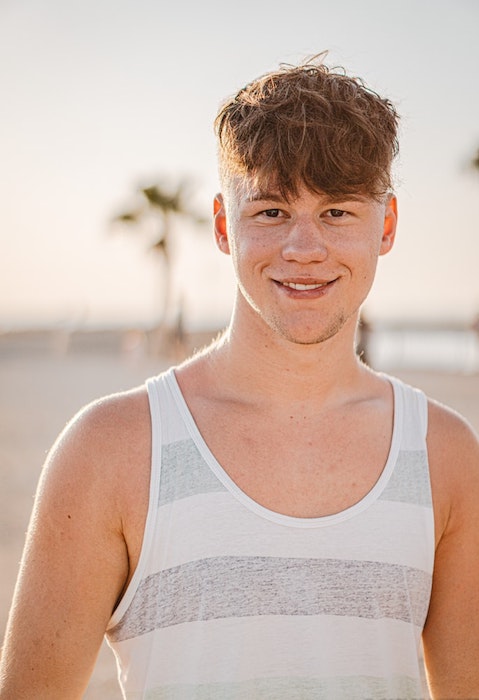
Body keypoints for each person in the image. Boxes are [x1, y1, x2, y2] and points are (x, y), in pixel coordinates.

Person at [1, 54, 479, 700]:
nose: (303, 249)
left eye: (337, 212)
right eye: (271, 212)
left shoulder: (444, 457)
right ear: (224, 226)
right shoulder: (109, 452)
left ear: (385, 225)